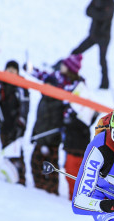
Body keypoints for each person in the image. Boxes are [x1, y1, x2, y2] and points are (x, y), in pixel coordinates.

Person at [29, 54, 84, 195]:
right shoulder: (57, 77)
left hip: (56, 132)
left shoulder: (74, 85)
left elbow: (77, 105)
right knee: (37, 161)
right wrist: (30, 69)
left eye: (65, 65)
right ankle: (40, 188)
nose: (62, 66)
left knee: (51, 164)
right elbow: (44, 76)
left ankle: (52, 191)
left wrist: (67, 116)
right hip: (44, 129)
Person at [71, 0, 114, 89]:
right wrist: (98, 12)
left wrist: (95, 11)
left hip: (104, 37)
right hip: (93, 35)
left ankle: (105, 84)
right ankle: (63, 68)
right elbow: (87, 11)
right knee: (76, 51)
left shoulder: (110, 3)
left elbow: (103, 16)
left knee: (102, 61)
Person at [0, 60, 30, 184]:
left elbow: (25, 106)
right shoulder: (1, 85)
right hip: (4, 122)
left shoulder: (21, 87)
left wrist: (21, 122)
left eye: (13, 70)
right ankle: (9, 173)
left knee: (16, 152)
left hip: (16, 125)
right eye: (8, 69)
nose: (10, 72)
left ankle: (20, 178)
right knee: (5, 148)